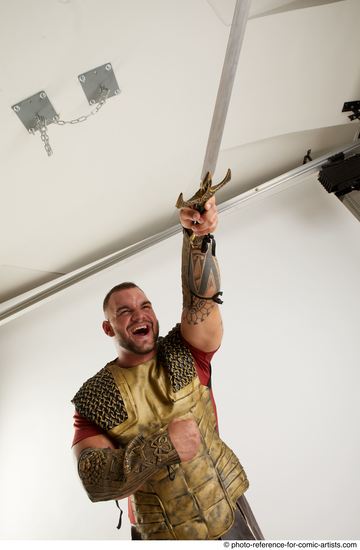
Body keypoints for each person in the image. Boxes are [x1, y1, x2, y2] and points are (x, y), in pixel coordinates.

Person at [71, 196, 263, 540]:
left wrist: (197, 239)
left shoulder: (184, 351)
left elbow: (200, 304)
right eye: (125, 311)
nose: (139, 314)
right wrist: (163, 447)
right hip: (161, 531)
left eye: (145, 306)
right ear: (108, 328)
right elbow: (94, 480)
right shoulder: (96, 396)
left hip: (225, 505)